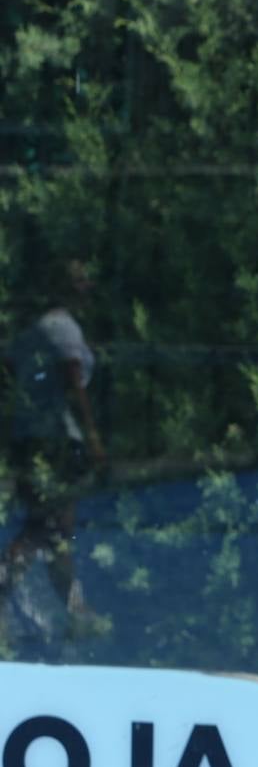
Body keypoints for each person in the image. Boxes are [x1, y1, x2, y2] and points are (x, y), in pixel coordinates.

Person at [0, 258, 107, 647]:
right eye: (80, 281)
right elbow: (74, 381)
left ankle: (75, 610)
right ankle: (69, 608)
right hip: (59, 439)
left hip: (30, 437)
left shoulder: (31, 332)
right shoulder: (61, 328)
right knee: (53, 529)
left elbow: (11, 369)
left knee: (50, 530)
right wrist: (93, 437)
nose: (87, 287)